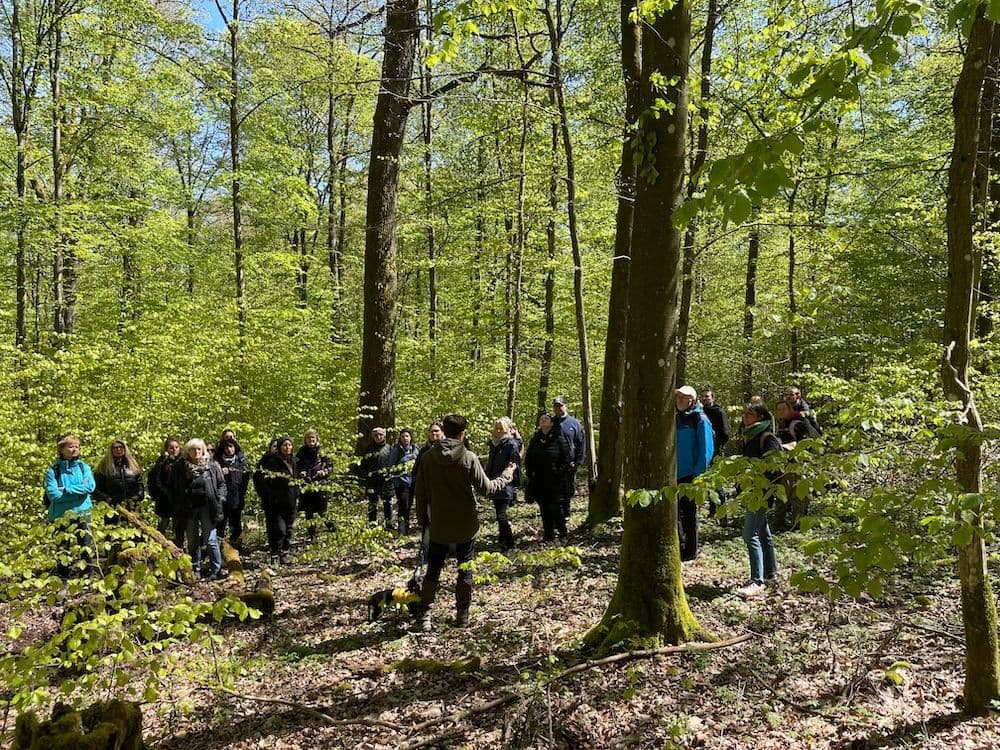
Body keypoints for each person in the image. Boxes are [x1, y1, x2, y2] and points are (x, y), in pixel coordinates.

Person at [412, 414, 515, 630]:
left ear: (444, 431)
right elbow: (486, 489)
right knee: (465, 567)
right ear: (462, 433)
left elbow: (420, 493)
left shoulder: (428, 457)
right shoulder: (468, 457)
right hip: (465, 523)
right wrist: (507, 475)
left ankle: (425, 617)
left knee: (434, 568)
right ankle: (463, 616)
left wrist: (423, 520)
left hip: (438, 522)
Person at [735, 402, 782, 599]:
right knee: (763, 531)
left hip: (760, 493)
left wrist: (761, 486)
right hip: (750, 491)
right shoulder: (750, 436)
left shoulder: (767, 438)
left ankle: (757, 581)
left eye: (750, 413)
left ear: (761, 418)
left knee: (750, 533)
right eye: (745, 413)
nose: (745, 417)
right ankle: (770, 574)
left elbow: (775, 468)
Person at [171, 438, 226, 581]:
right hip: (189, 508)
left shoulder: (212, 465)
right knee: (192, 540)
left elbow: (221, 484)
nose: (196, 452)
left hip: (209, 507)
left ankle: (217, 569)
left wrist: (220, 499)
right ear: (187, 452)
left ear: (203, 450)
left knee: (210, 540)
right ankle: (195, 569)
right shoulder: (180, 467)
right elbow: (174, 487)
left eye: (199, 449)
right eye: (192, 449)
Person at [44, 435, 97, 579]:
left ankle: (89, 576)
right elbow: (53, 495)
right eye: (71, 446)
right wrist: (79, 492)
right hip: (61, 515)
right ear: (62, 449)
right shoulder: (53, 471)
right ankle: (63, 578)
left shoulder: (83, 467)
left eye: (77, 446)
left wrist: (66, 489)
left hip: (82, 512)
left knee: (85, 545)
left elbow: (90, 486)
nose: (74, 449)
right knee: (63, 548)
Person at [675, 385, 714, 561]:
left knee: (689, 514)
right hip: (674, 473)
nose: (680, 401)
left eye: (683, 398)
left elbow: (706, 449)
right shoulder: (676, 418)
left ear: (692, 399)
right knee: (675, 513)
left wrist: (699, 475)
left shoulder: (700, 418)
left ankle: (690, 552)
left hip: (690, 474)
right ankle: (679, 546)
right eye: (678, 398)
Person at [525, 413, 572, 542]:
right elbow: (528, 458)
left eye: (546, 419)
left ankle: (562, 533)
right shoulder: (535, 439)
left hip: (555, 481)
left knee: (556, 507)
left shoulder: (559, 438)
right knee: (544, 507)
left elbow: (566, 458)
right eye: (541, 419)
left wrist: (558, 472)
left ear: (551, 423)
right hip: (539, 480)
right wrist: (530, 473)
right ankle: (548, 534)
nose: (543, 420)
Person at [258, 435, 300, 565]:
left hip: (292, 501)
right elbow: (264, 482)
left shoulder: (295, 461)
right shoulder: (272, 463)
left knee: (288, 530)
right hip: (276, 503)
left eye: (289, 445)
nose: (287, 448)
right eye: (284, 445)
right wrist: (270, 497)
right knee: (279, 530)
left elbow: (298, 480)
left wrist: (298, 495)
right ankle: (275, 554)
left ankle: (284, 553)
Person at [485, 417, 522, 551]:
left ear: (507, 430)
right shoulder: (494, 445)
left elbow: (515, 465)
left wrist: (513, 484)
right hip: (494, 483)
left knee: (501, 515)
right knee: (498, 514)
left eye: (501, 429)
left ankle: (510, 543)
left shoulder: (511, 444)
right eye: (497, 429)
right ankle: (502, 539)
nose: (499, 431)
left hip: (506, 484)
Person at [296, 429, 335, 542]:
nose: (311, 440)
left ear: (317, 439)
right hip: (306, 485)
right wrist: (300, 472)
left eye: (313, 438)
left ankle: (333, 529)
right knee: (308, 512)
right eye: (308, 438)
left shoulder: (322, 452)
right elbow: (295, 466)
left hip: (320, 485)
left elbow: (331, 466)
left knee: (323, 511)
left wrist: (325, 472)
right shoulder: (301, 452)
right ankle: (312, 536)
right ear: (305, 440)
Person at [551, 396, 585, 523]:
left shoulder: (574, 423)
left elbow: (581, 443)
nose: (558, 408)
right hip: (553, 463)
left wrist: (578, 462)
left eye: (560, 405)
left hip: (569, 463)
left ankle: (566, 514)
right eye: (556, 406)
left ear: (566, 406)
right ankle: (555, 515)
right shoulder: (550, 422)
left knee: (567, 490)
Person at [701, 390, 731, 521]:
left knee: (717, 483)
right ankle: (713, 511)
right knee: (708, 483)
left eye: (707, 396)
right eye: (703, 397)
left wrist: (716, 446)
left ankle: (723, 513)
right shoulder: (702, 412)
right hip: (704, 452)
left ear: (712, 397)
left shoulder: (719, 412)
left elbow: (725, 433)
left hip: (716, 452)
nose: (705, 399)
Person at [215, 437, 249, 548]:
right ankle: (220, 546)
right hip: (221, 499)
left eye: (231, 446)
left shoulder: (241, 462)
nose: (229, 449)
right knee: (220, 524)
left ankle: (237, 546)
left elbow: (245, 480)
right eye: (226, 447)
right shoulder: (217, 462)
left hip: (237, 497)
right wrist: (220, 472)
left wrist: (242, 496)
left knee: (236, 524)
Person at [93, 439, 145, 509]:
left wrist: (139, 495)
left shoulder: (132, 464)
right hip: (112, 507)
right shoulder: (104, 466)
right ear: (111, 450)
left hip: (133, 506)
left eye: (121, 447)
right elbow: (96, 488)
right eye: (115, 448)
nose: (118, 449)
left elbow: (140, 483)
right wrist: (108, 499)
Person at [359, 427, 393, 529]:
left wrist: (390, 474)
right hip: (372, 481)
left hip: (386, 481)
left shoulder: (390, 449)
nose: (378, 437)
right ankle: (372, 525)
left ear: (384, 435)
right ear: (373, 437)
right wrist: (366, 475)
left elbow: (394, 464)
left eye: (381, 435)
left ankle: (389, 525)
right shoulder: (368, 449)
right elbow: (362, 465)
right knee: (372, 504)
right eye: (376, 435)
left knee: (387, 503)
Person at [388, 429, 419, 535]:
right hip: (401, 483)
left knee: (409, 506)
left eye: (407, 436)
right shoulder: (396, 450)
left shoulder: (415, 450)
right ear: (400, 438)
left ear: (410, 437)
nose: (405, 438)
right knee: (403, 506)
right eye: (403, 436)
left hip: (413, 482)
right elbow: (391, 467)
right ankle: (402, 530)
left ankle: (407, 527)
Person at [148, 437, 182, 534]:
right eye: (171, 448)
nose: (174, 450)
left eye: (176, 447)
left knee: (178, 526)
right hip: (164, 499)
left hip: (179, 499)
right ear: (167, 449)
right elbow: (155, 480)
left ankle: (178, 546)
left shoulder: (183, 461)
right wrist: (164, 493)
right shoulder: (161, 462)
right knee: (163, 523)